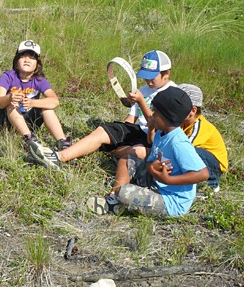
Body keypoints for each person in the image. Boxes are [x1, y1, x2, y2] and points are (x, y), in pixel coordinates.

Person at [28, 50, 176, 168]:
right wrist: (118, 132)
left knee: (139, 151)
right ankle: (60, 157)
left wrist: (142, 102)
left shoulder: (172, 94)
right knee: (103, 131)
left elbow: (157, 125)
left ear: (166, 74)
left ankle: (111, 151)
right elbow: (131, 119)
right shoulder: (143, 90)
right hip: (138, 130)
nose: (148, 81)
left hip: (155, 137)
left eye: (152, 77)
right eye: (145, 77)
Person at [87, 87, 209, 217]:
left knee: (124, 192)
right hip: (156, 181)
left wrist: (168, 180)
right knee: (126, 159)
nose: (152, 115)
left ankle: (116, 201)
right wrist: (151, 166)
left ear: (167, 117)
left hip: (170, 200)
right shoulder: (162, 132)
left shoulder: (179, 143)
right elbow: (152, 149)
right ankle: (115, 197)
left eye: (156, 112)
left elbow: (202, 173)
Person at [0, 40, 72, 162]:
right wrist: (9, 98)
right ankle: (29, 140)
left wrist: (33, 103)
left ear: (37, 64)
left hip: (30, 119)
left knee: (47, 108)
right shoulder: (8, 76)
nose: (27, 60)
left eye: (32, 57)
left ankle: (63, 143)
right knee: (11, 105)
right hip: (8, 121)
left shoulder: (39, 80)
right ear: (16, 61)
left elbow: (55, 101)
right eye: (23, 56)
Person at [178, 84, 228, 192]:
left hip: (215, 164)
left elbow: (185, 147)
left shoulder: (199, 126)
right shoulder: (183, 123)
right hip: (203, 160)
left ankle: (212, 183)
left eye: (178, 106)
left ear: (193, 110)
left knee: (191, 151)